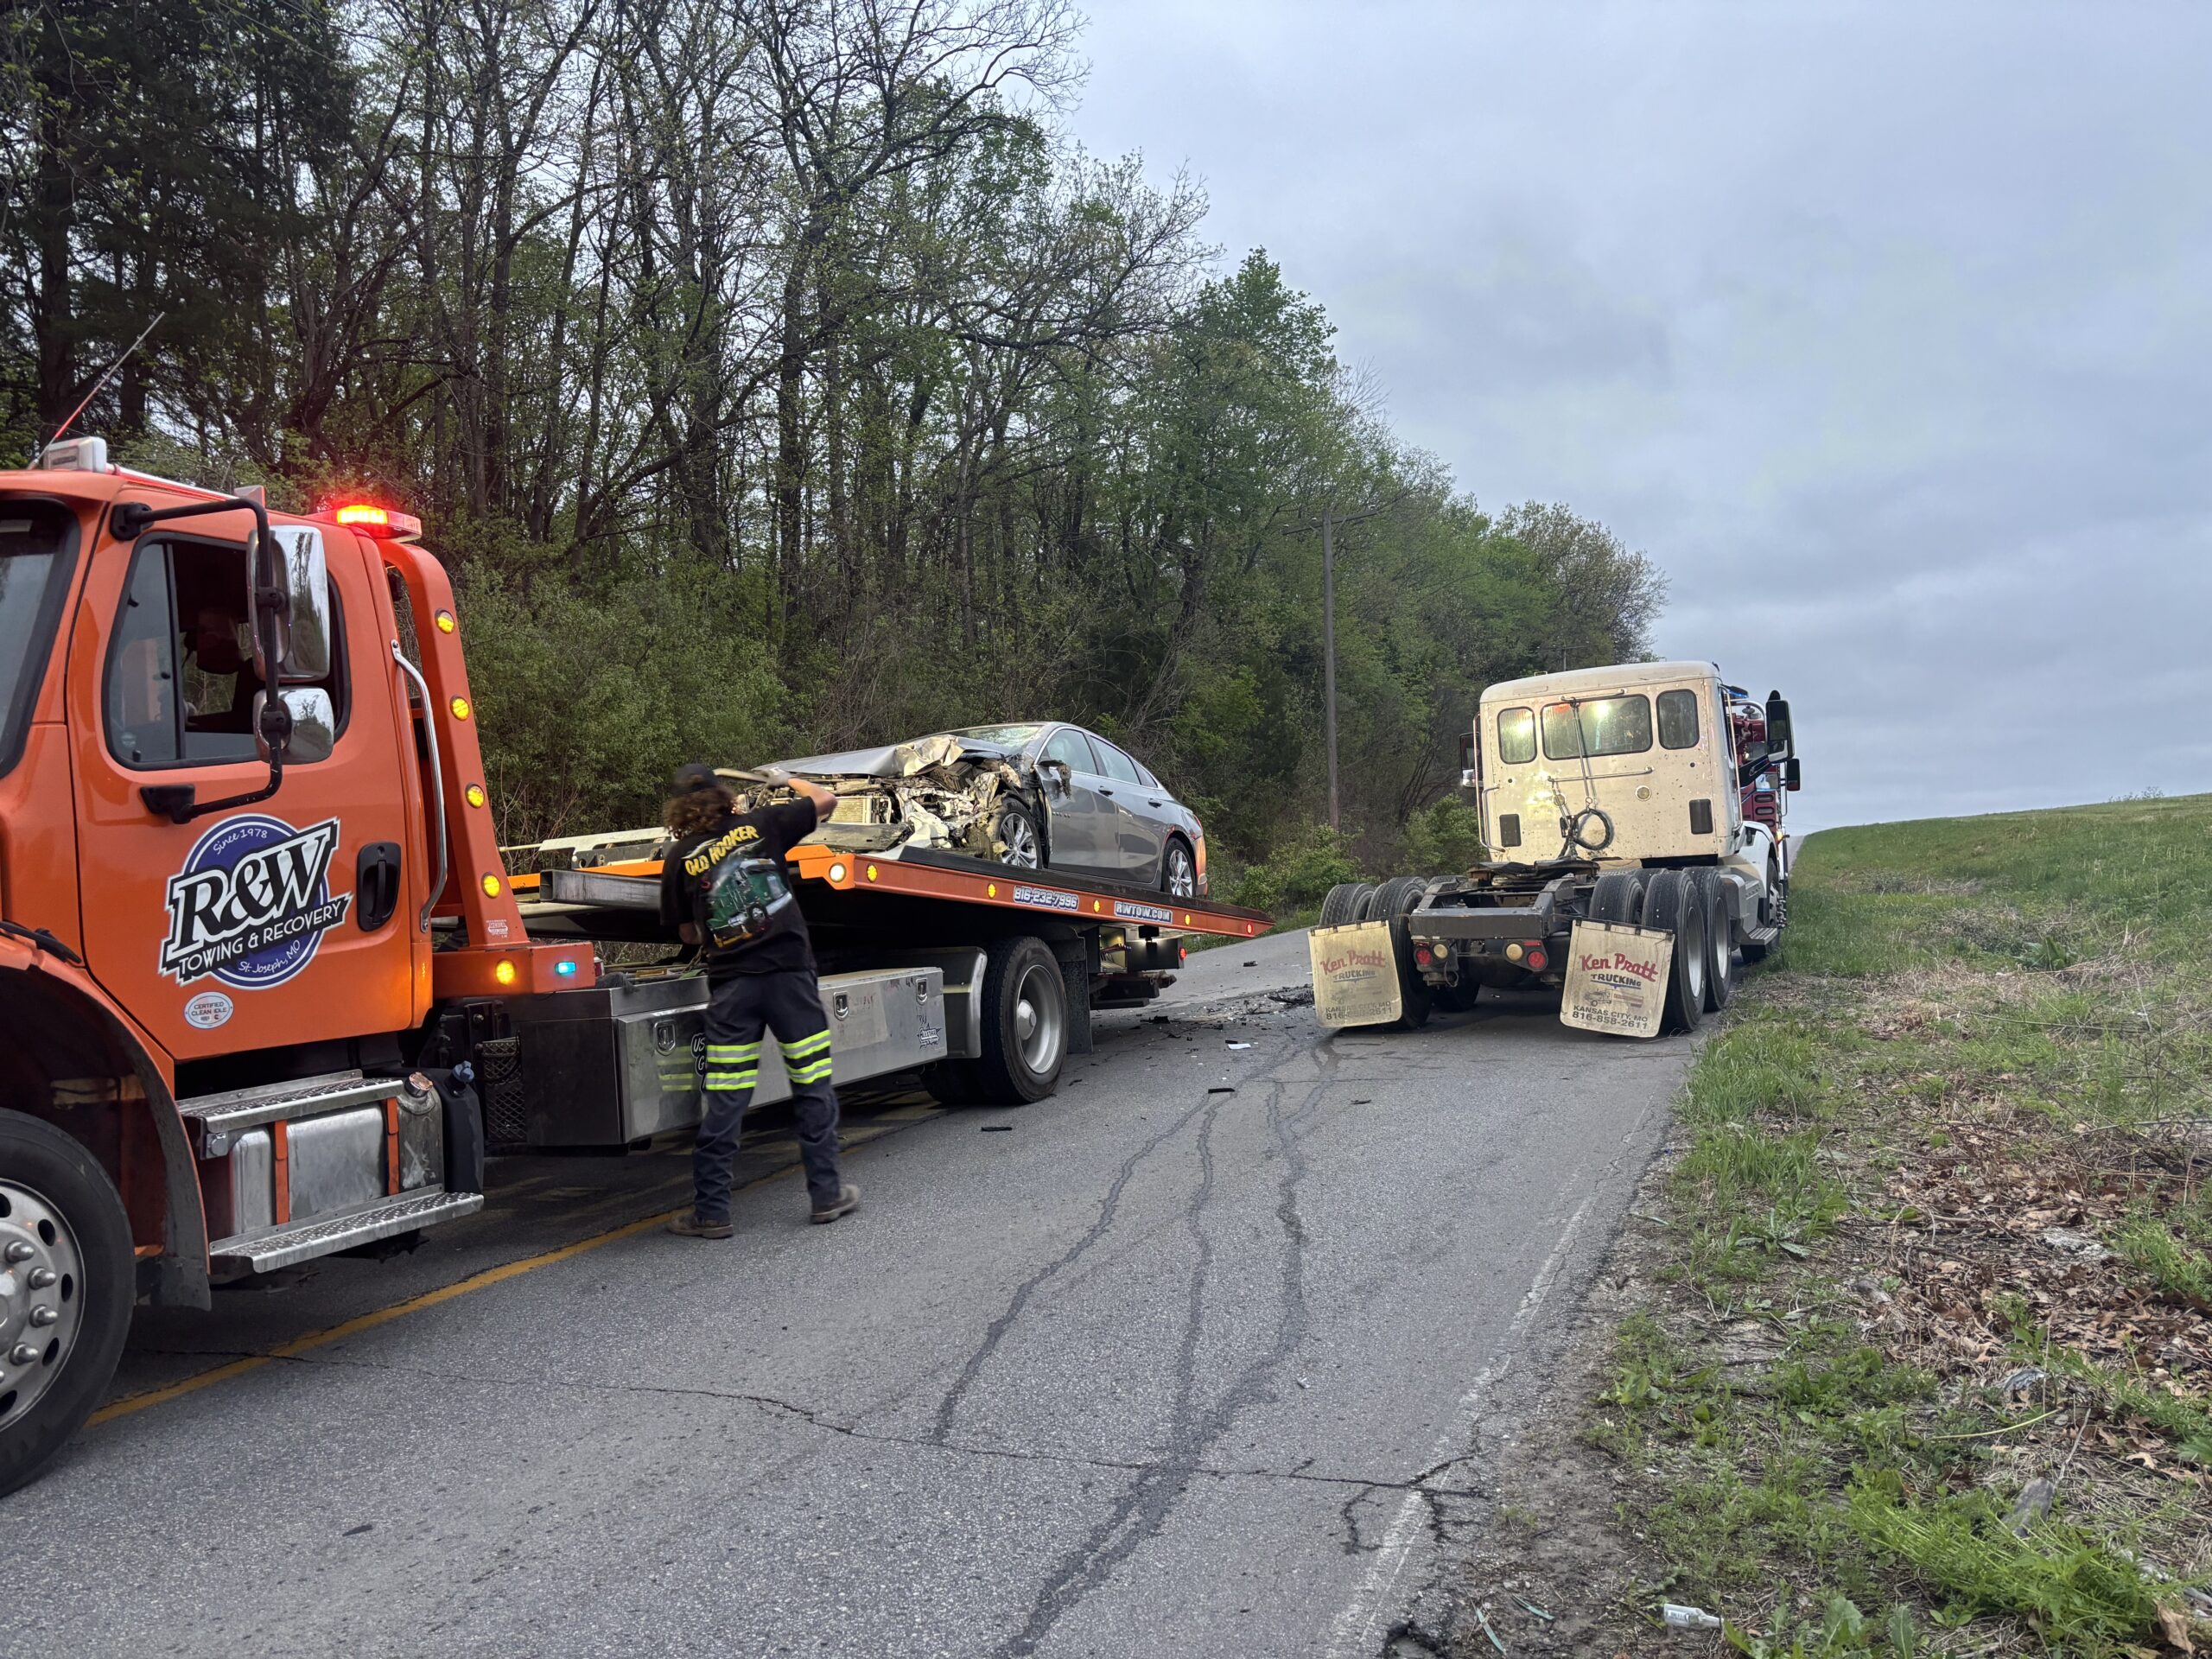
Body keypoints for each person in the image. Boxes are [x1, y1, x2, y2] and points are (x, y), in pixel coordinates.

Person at [658, 761, 860, 1236]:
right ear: (723, 795)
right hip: (790, 979)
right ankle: (826, 1196)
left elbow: (686, 933)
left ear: (679, 808)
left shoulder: (679, 857)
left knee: (727, 1098)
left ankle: (712, 1212)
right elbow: (826, 800)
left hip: (734, 989)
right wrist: (787, 780)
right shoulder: (762, 825)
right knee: (812, 1085)